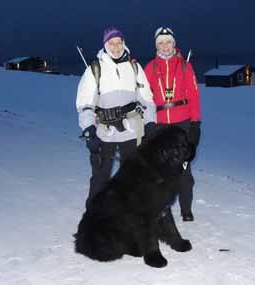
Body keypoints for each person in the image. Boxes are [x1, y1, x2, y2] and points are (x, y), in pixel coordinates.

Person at [76, 27, 157, 208]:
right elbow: (85, 104)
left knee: (133, 177)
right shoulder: (95, 69)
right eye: (111, 44)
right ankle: (94, 219)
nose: (116, 47)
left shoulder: (134, 67)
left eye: (119, 43)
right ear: (105, 45)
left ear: (124, 44)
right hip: (104, 132)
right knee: (100, 177)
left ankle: (129, 217)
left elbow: (147, 100)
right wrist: (89, 130)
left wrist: (150, 123)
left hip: (131, 131)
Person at [144, 27, 201, 222]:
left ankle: (186, 209)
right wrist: (148, 124)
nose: (165, 46)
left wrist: (195, 126)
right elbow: (145, 99)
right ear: (156, 46)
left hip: (182, 125)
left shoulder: (185, 66)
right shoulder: (150, 68)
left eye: (168, 42)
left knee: (184, 170)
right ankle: (161, 209)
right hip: (160, 125)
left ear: (174, 44)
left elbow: (194, 97)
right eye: (161, 43)